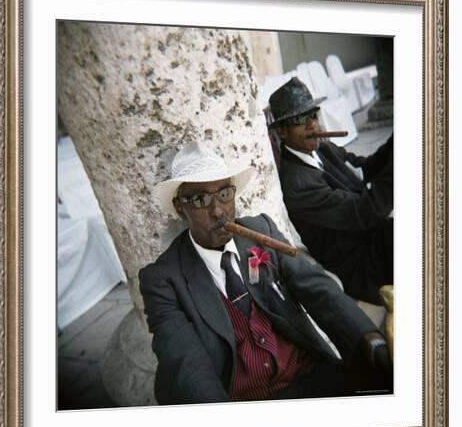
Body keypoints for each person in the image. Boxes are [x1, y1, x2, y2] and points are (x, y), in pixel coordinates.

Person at [139, 141, 391, 405]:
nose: (218, 211)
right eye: (201, 199)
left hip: (308, 377)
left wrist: (369, 340)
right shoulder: (162, 280)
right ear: (181, 207)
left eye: (224, 194)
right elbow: (183, 359)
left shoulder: (262, 231)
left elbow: (319, 288)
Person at [267, 77, 393, 306]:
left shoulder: (322, 147)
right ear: (282, 132)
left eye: (313, 114)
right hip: (361, 265)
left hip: (375, 237)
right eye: (299, 119)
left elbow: (363, 167)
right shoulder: (298, 185)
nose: (312, 124)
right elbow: (364, 212)